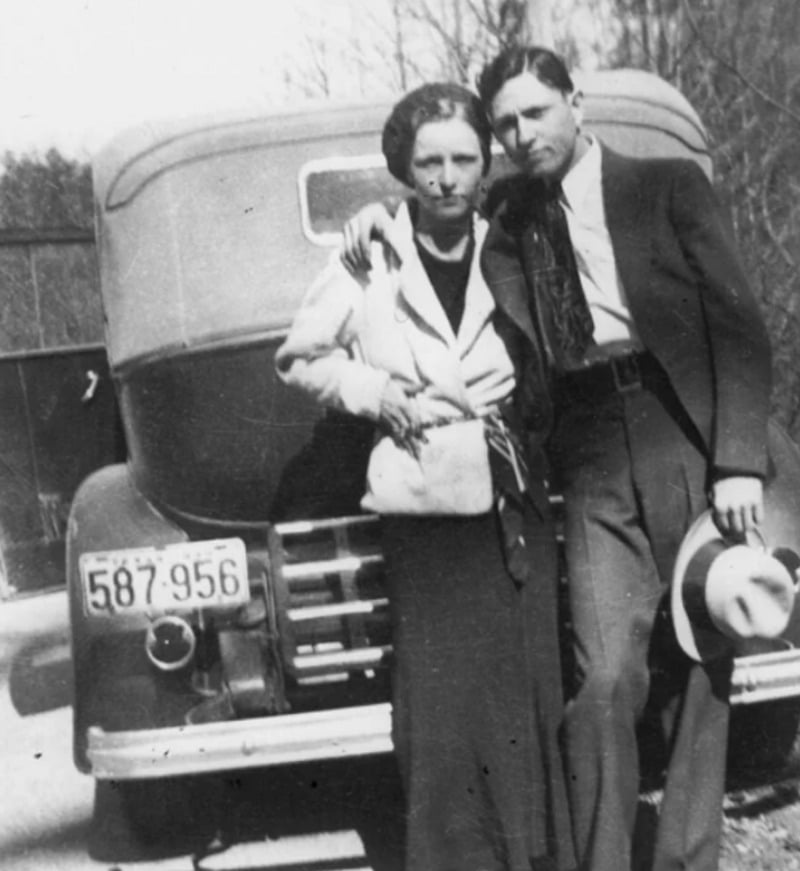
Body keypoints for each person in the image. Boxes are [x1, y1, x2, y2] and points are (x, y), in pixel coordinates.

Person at [342, 49, 772, 871]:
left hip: (682, 429)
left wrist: (738, 458)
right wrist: (375, 218)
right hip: (587, 447)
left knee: (701, 658)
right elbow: (436, 203)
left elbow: (740, 326)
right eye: (505, 122)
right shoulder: (508, 211)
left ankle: (685, 859)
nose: (520, 132)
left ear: (577, 102)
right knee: (605, 675)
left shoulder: (666, 186)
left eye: (536, 112)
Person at [275, 83, 575, 871]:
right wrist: (376, 393)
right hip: (423, 496)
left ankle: (533, 855)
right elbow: (302, 356)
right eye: (428, 161)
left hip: (514, 491)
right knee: (441, 703)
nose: (446, 177)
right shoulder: (369, 252)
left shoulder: (513, 239)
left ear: (486, 165)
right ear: (404, 169)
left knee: (525, 687)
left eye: (463, 159)